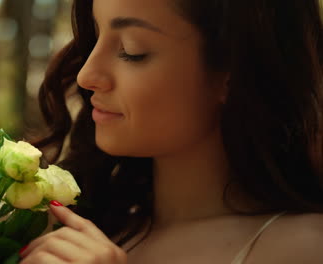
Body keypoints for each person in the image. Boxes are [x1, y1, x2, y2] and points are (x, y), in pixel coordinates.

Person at [20, 0, 323, 263]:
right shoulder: (69, 231)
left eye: (131, 50)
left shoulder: (304, 248)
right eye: (96, 36)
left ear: (231, 72)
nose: (86, 75)